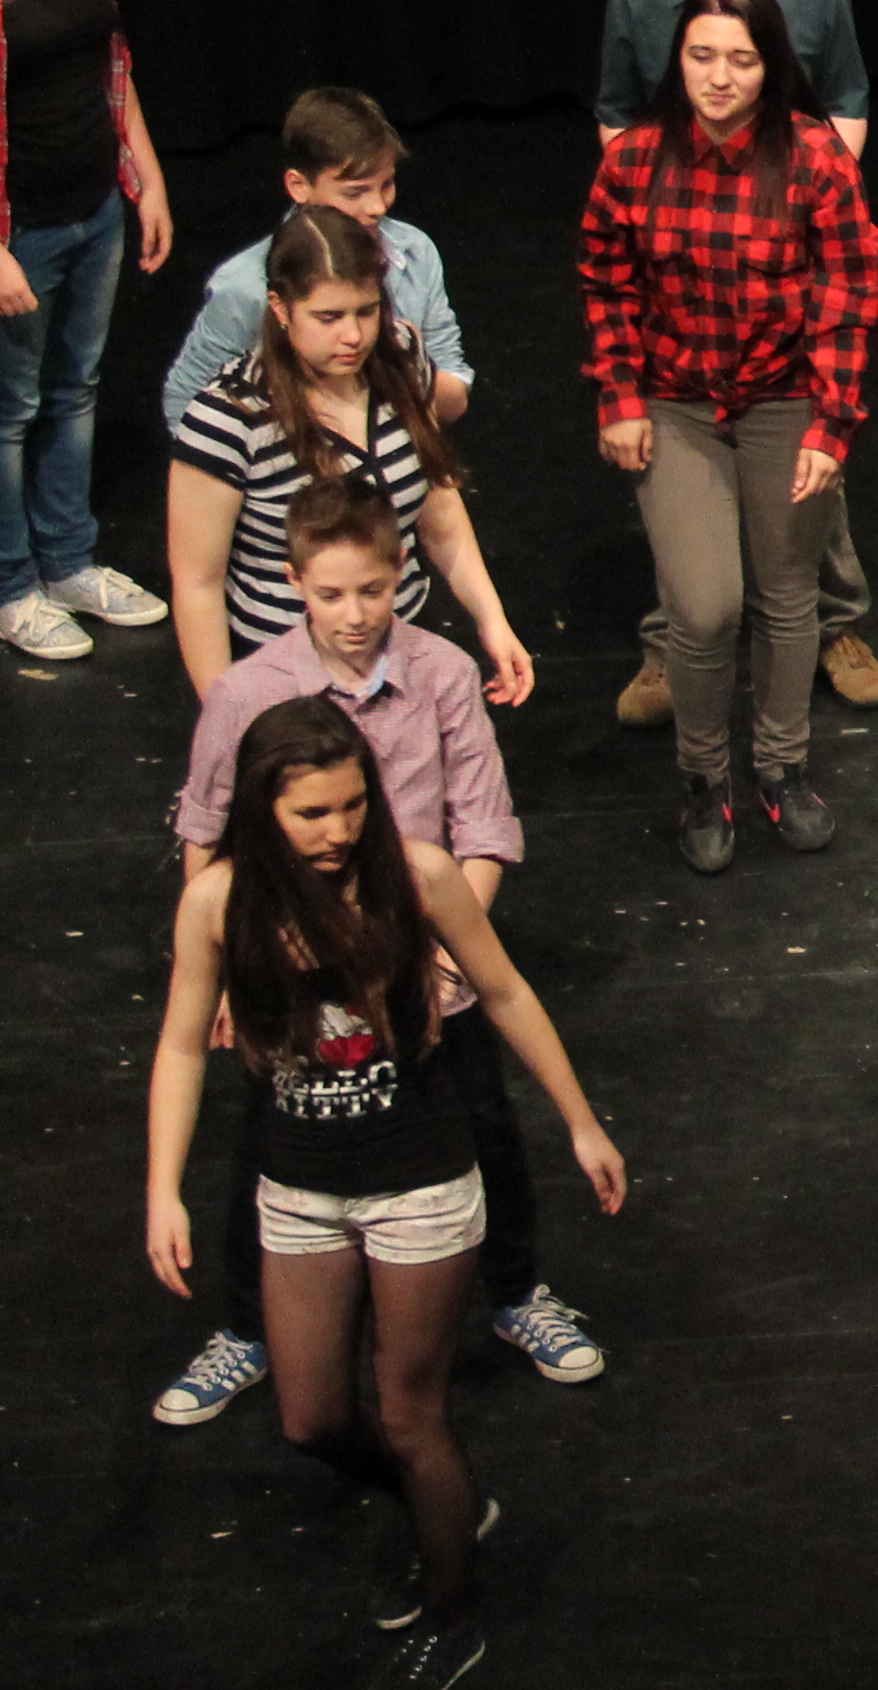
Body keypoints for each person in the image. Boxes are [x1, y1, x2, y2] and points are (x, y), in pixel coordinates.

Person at [142, 695, 628, 1686]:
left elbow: (504, 991)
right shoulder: (219, 902)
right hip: (300, 1187)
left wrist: (581, 1120)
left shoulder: (418, 875)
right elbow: (183, 1045)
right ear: (264, 811)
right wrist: (162, 1188)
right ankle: (447, 1507)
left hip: (420, 1180)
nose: (338, 830)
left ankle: (452, 1614)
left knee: (411, 1416)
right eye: (312, 813)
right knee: (311, 1418)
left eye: (353, 805)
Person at [152, 478, 607, 1432]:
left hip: (427, 953)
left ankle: (516, 1292)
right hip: (291, 969)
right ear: (295, 585)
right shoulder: (248, 693)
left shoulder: (441, 673)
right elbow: (207, 831)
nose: (354, 614)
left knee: (482, 1122)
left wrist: (438, 954)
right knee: (270, 1144)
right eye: (331, 594)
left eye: (372, 590)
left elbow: (481, 828)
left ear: (401, 573)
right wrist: (231, 963)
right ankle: (249, 1329)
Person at [579, 0, 878, 877]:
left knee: (788, 593)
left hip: (784, 395)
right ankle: (703, 776)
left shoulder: (812, 157)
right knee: (706, 604)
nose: (720, 77)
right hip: (674, 399)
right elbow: (605, 280)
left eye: (742, 60)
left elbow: (850, 289)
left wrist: (832, 423)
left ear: (771, 65)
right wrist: (619, 396)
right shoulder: (635, 160)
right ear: (677, 60)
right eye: (702, 56)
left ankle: (782, 768)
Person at [593, 0, 878, 721]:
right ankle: (673, 638)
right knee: (682, 467)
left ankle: (831, 622)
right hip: (684, 233)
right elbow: (619, 113)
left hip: (788, 228)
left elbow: (845, 95)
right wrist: (659, 205)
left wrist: (811, 195)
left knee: (801, 450)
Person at [166, 209, 534, 707]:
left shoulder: (401, 358)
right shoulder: (231, 415)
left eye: (366, 311)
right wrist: (226, 715)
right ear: (281, 308)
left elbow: (439, 510)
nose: (354, 336)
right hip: (287, 682)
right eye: (329, 317)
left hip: (400, 658)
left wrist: (492, 620)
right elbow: (198, 585)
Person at [0, 0, 175, 661]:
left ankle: (68, 560)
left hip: (95, 206)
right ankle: (11, 585)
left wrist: (147, 177)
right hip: (20, 230)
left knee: (75, 388)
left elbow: (112, 66)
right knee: (10, 409)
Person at [160, 87, 469, 435]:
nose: (377, 207)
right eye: (355, 192)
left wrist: (408, 373)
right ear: (298, 186)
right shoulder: (245, 287)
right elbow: (186, 401)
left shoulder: (414, 252)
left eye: (387, 185)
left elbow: (452, 387)